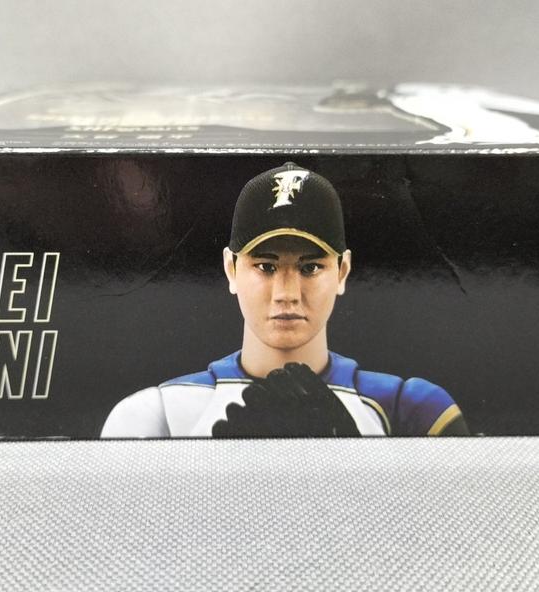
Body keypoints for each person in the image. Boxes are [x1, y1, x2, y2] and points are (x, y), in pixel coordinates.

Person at [101, 162, 468, 438]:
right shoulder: (156, 414)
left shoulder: (413, 408)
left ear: (342, 272)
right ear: (231, 269)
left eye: (310, 267)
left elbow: (459, 516)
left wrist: (346, 454)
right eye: (265, 266)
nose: (287, 294)